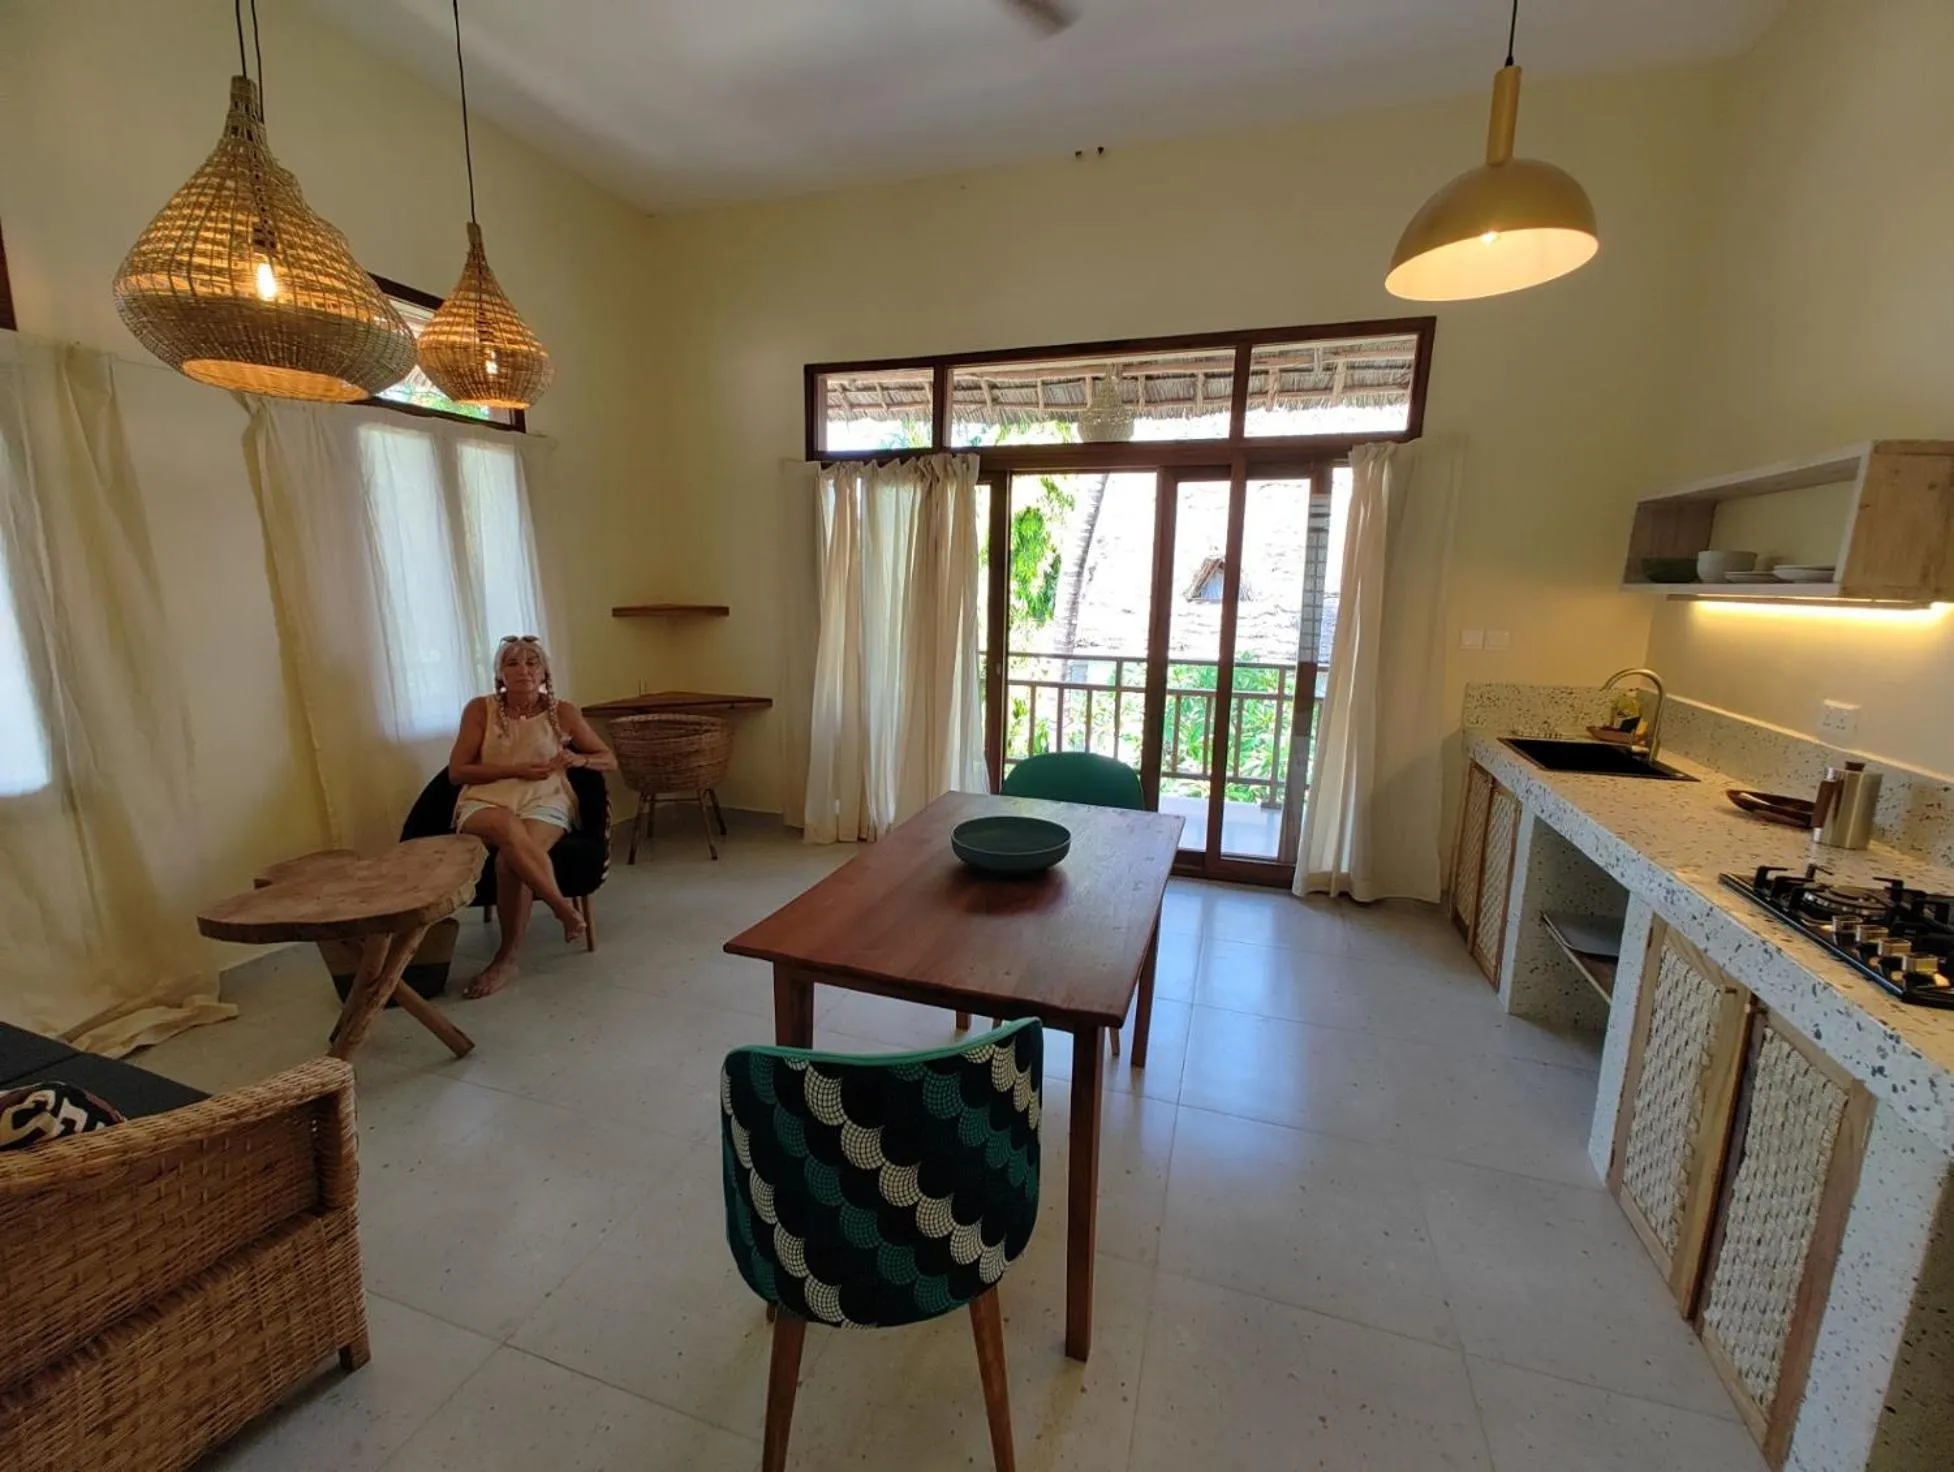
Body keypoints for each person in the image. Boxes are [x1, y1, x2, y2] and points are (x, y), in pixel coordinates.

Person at [447, 634, 616, 998]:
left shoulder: (564, 712)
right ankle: (562, 909)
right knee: (506, 826)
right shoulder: (480, 709)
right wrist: (515, 770)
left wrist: (579, 760)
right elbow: (457, 772)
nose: (523, 670)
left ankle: (506, 959)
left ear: (544, 672)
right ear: (499, 674)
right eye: (512, 663)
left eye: (531, 663)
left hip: (546, 798)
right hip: (487, 798)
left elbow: (608, 759)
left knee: (511, 861)